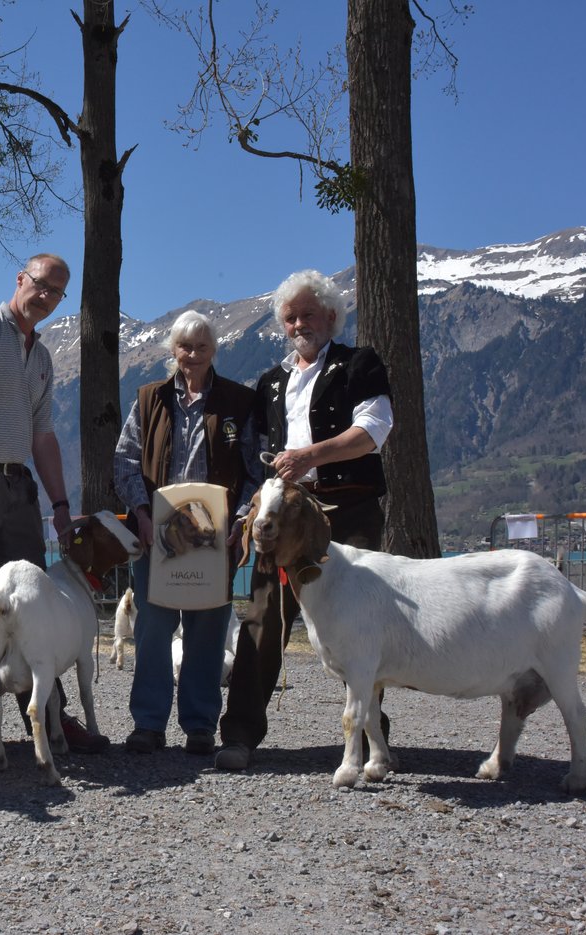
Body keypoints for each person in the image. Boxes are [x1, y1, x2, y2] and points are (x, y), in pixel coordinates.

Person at [214, 269, 394, 771]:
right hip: (280, 516)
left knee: (356, 627)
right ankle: (240, 734)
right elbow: (257, 459)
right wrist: (248, 511)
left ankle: (372, 740)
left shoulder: (359, 363)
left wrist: (311, 456)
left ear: (332, 317)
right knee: (260, 616)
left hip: (346, 511)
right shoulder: (270, 383)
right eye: (290, 317)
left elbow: (374, 430)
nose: (298, 324)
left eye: (308, 314)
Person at [0, 253, 106, 760]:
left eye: (57, 292)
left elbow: (43, 434)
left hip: (18, 487)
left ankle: (49, 715)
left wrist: (59, 503)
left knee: (35, 602)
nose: (47, 297)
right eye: (41, 285)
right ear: (19, 280)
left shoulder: (43, 357)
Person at [113, 312, 260, 757]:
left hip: (218, 537)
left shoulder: (239, 401)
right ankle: (149, 725)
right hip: (155, 535)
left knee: (208, 630)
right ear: (172, 351)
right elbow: (125, 461)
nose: (192, 355)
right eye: (184, 347)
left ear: (214, 350)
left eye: (201, 347)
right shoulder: (148, 399)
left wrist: (238, 523)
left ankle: (200, 726)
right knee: (153, 631)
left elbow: (255, 471)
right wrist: (140, 512)